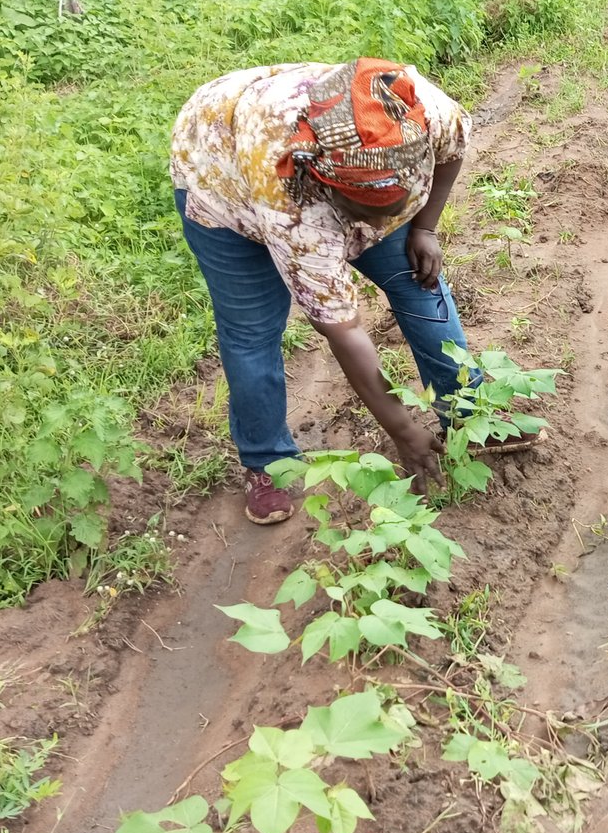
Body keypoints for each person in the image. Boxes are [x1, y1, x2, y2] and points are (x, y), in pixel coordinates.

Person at [169, 58, 537, 524]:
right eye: (361, 211)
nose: (375, 226)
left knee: (418, 279)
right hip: (218, 168)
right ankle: (267, 461)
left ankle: (466, 411)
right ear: (327, 187)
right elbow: (343, 330)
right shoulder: (291, 202)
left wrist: (425, 228)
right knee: (252, 329)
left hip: (289, 132)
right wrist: (402, 429)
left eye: (392, 207)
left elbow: (452, 152)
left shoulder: (416, 111)